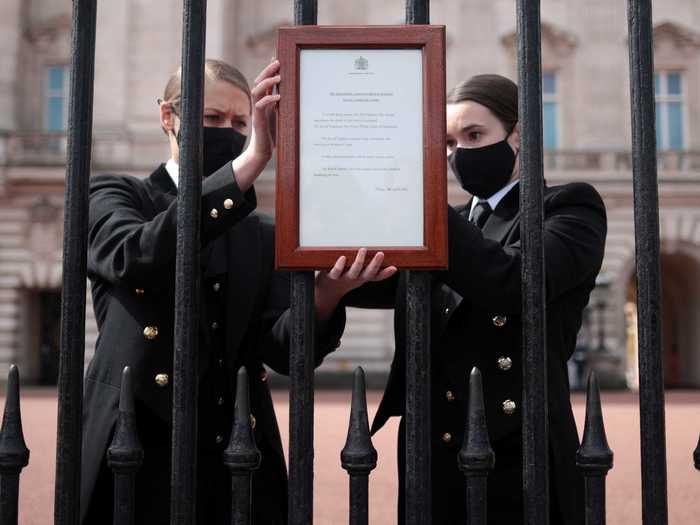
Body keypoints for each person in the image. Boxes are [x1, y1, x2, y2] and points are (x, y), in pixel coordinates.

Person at [80, 58, 396, 524]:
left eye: (240, 122)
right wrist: (252, 162)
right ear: (168, 116)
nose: (228, 131)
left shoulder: (257, 232)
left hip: (235, 447)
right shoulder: (115, 194)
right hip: (135, 437)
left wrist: (326, 295)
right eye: (212, 119)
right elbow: (135, 257)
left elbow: (283, 350)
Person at [344, 74, 607, 524]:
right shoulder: (450, 223)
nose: (458, 154)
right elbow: (378, 278)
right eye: (447, 142)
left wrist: (423, 200)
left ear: (519, 133)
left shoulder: (569, 207)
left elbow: (512, 282)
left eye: (474, 135)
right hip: (433, 449)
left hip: (519, 449)